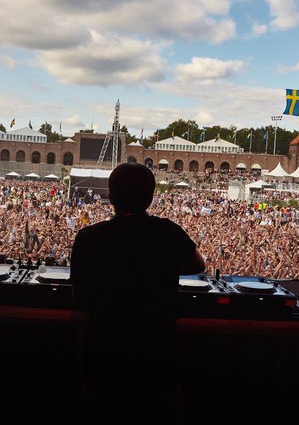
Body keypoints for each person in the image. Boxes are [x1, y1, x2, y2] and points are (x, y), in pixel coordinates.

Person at [70, 162, 205, 424]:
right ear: (151, 198)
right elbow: (198, 264)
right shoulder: (168, 232)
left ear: (110, 197)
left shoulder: (88, 237)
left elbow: (80, 301)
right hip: (158, 369)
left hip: (104, 370)